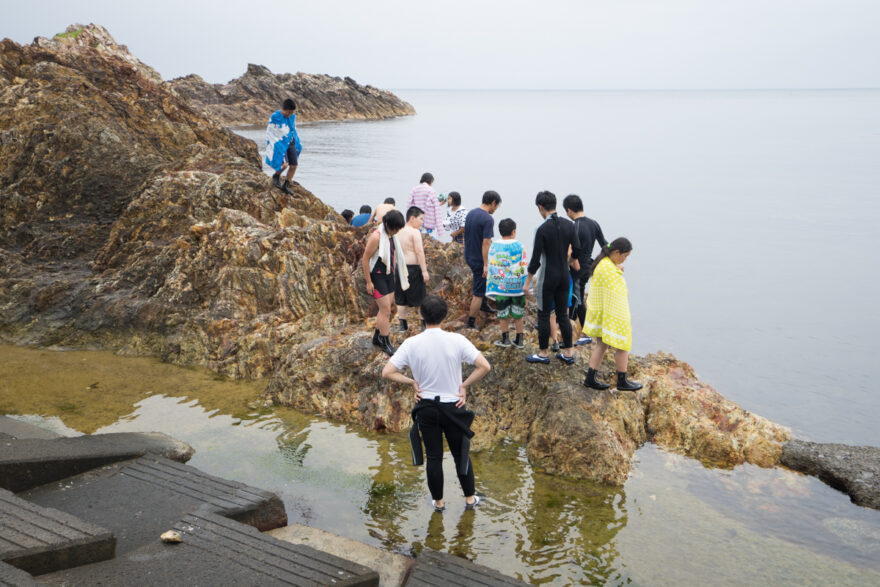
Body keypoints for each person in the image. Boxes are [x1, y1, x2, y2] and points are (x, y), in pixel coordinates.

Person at [382, 295, 491, 512]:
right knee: (461, 453)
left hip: (427, 407)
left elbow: (388, 372)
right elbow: (484, 366)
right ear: (445, 316)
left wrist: (412, 382)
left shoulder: (411, 343)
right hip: (453, 406)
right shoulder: (457, 340)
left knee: (434, 457)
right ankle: (470, 499)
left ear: (421, 315)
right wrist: (464, 386)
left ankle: (439, 503)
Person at [523, 191, 581, 365]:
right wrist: (568, 261)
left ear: (540, 207)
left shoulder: (541, 229)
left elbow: (535, 260)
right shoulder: (569, 225)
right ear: (555, 204)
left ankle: (543, 354)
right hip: (564, 275)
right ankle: (569, 353)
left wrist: (527, 282)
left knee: (544, 314)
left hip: (548, 278)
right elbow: (578, 250)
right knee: (563, 314)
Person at [582, 237, 642, 392]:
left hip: (601, 312)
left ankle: (590, 378)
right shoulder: (608, 269)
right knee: (623, 345)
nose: (624, 260)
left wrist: (617, 266)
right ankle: (622, 380)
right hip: (612, 313)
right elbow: (615, 294)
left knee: (601, 345)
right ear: (616, 252)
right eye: (624, 256)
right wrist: (622, 317)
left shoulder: (603, 264)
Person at [361, 210, 408, 355]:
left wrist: (394, 274)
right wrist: (369, 282)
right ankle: (385, 342)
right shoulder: (377, 237)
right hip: (377, 276)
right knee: (385, 310)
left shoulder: (391, 235)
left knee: (386, 309)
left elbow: (392, 255)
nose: (396, 232)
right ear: (387, 224)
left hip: (388, 275)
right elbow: (365, 259)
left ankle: (377, 336)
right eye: (395, 228)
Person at [563, 194, 607, 345]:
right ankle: (574, 325)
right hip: (588, 266)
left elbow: (571, 251)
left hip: (577, 268)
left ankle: (587, 333)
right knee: (578, 296)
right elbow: (605, 245)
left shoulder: (575, 226)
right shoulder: (594, 223)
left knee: (578, 299)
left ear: (569, 210)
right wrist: (603, 263)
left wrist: (567, 263)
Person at [463, 191, 502, 329]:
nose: (495, 209)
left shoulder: (471, 213)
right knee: (478, 293)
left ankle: (485, 305)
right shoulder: (487, 219)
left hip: (469, 254)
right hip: (479, 259)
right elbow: (486, 242)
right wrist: (486, 264)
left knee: (484, 283)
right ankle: (471, 322)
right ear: (493, 203)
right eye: (496, 206)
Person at [487, 219, 528, 349]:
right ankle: (519, 339)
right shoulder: (520, 246)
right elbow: (524, 265)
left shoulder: (494, 246)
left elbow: (492, 265)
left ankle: (505, 339)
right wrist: (527, 285)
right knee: (518, 314)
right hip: (517, 287)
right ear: (513, 231)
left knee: (502, 313)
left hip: (501, 287)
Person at [394, 207, 430, 333]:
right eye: (421, 219)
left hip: (400, 267)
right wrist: (424, 271)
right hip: (413, 268)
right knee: (420, 299)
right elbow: (419, 251)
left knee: (401, 298)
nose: (422, 222)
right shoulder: (414, 232)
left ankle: (402, 325)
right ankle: (424, 325)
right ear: (412, 218)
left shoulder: (397, 231)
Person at [265, 98, 302, 196]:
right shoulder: (275, 116)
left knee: (293, 166)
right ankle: (276, 176)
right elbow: (272, 131)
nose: (290, 114)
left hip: (291, 142)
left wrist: (297, 141)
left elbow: (292, 129)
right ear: (283, 109)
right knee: (284, 164)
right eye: (288, 112)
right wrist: (273, 143)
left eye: (291, 113)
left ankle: (286, 184)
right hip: (279, 142)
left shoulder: (292, 116)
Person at [406, 173, 445, 238]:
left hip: (416, 222)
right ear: (431, 181)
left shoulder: (414, 189)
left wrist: (407, 222)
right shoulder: (431, 190)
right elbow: (436, 210)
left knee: (417, 240)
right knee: (430, 244)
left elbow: (409, 206)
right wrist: (440, 230)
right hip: (429, 223)